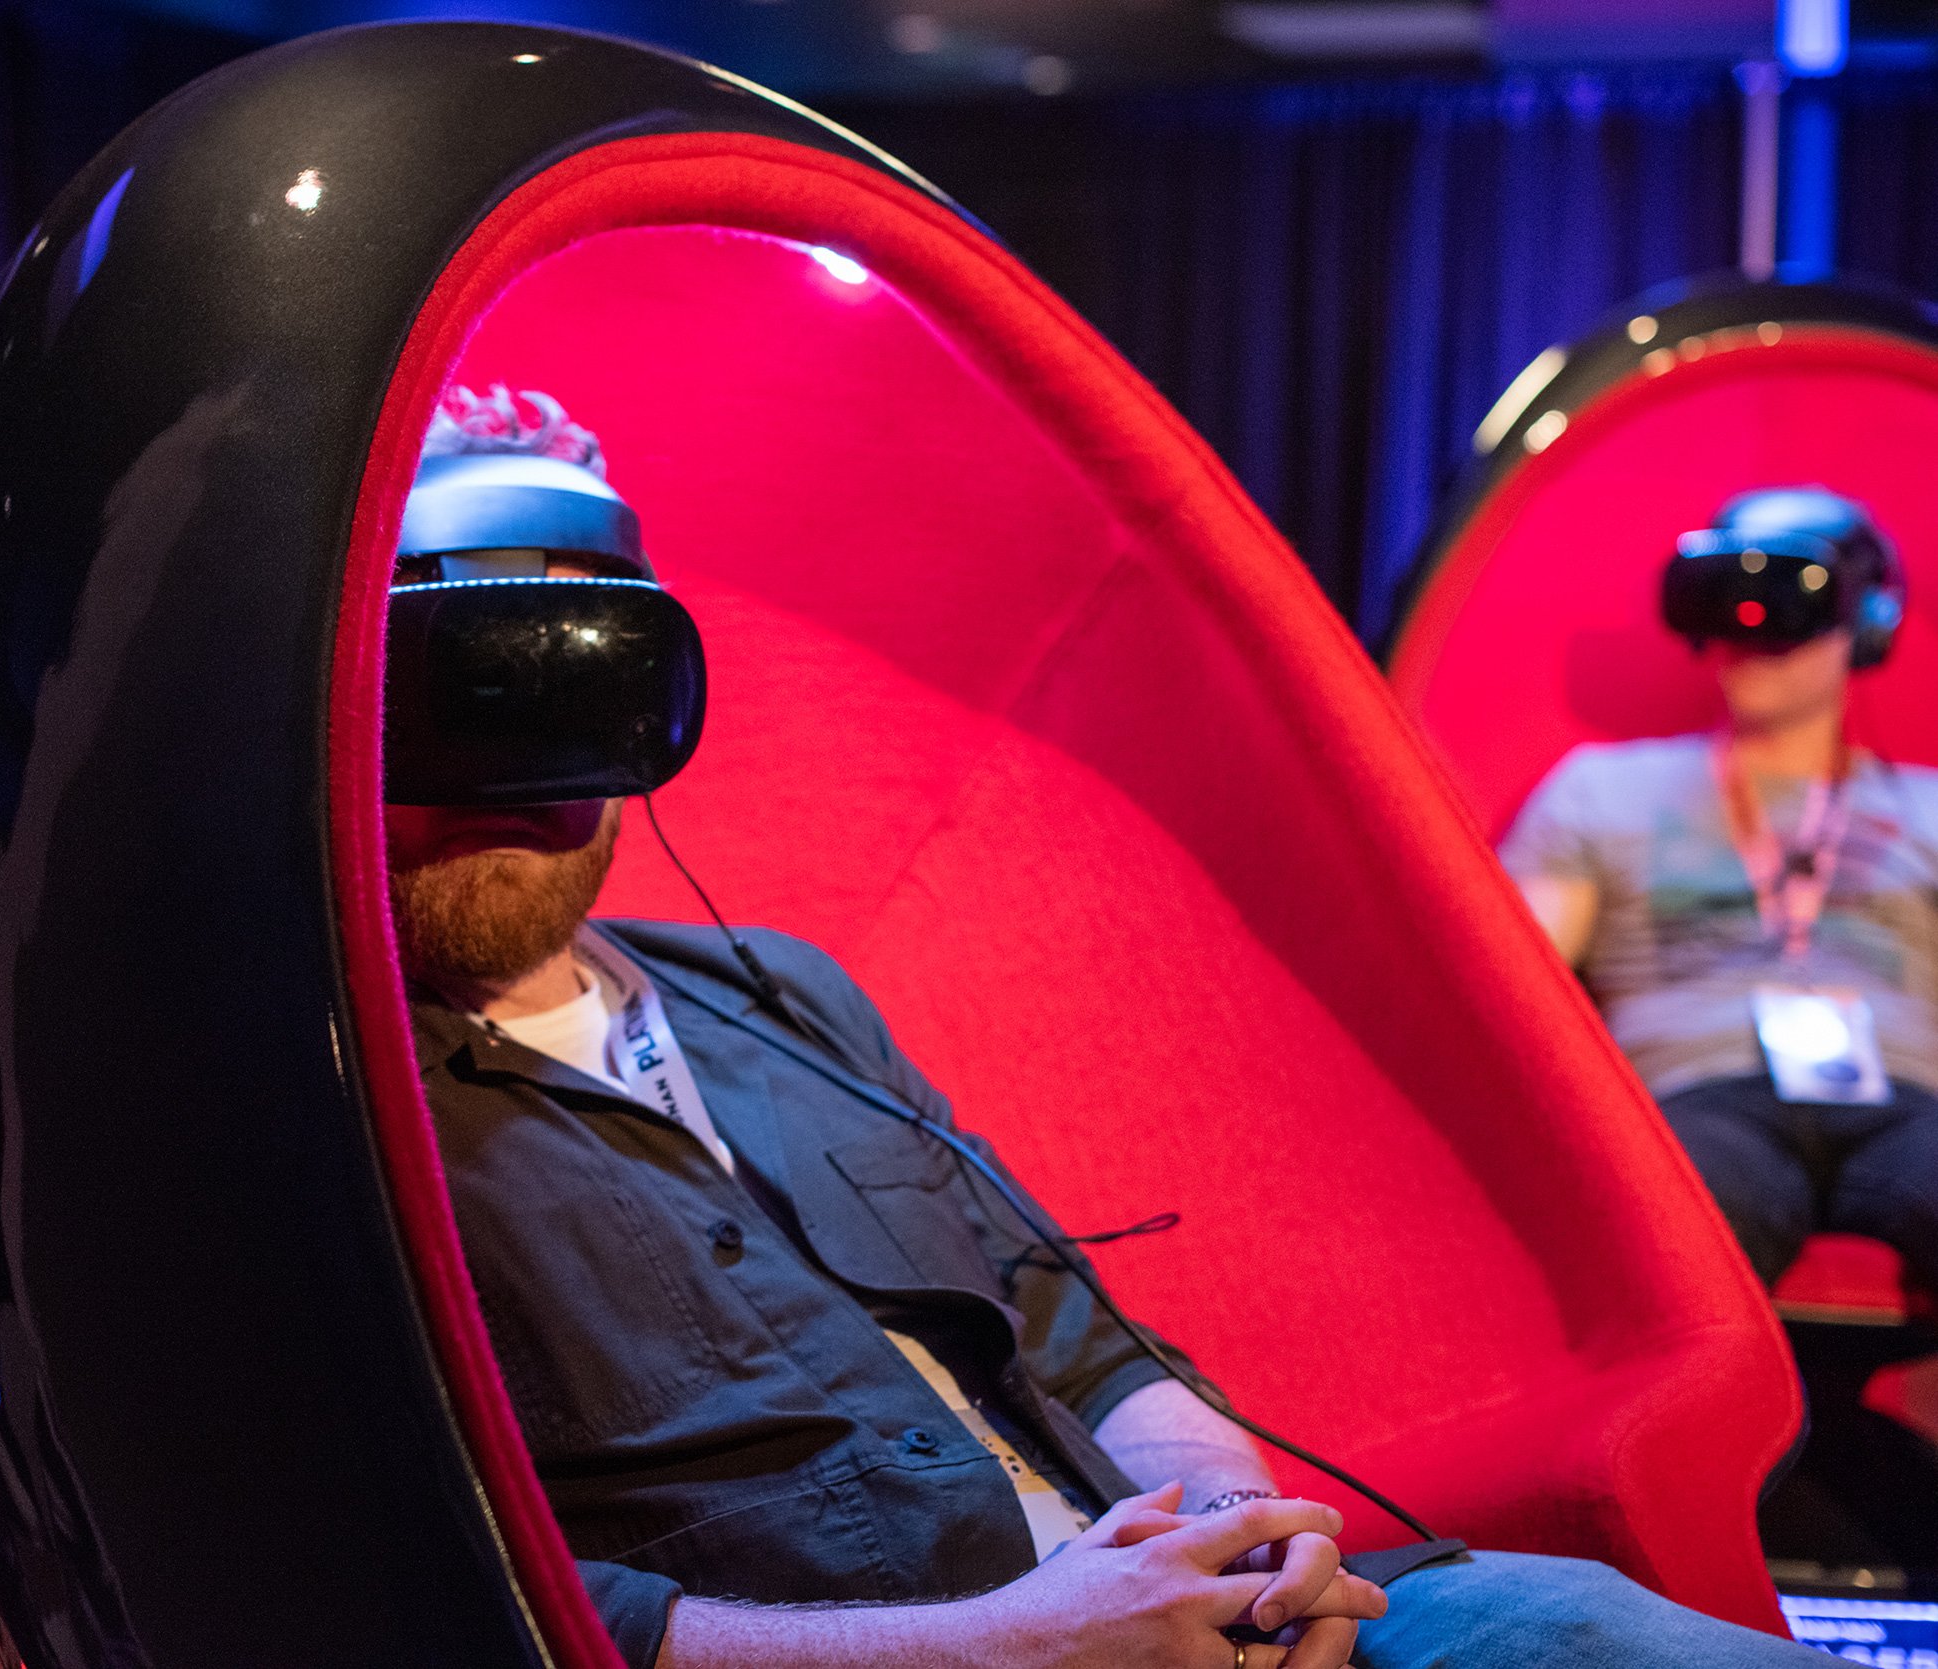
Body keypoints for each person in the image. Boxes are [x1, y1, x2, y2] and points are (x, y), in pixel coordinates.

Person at [388, 389, 1828, 1668]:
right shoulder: (326, 1093)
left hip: (1193, 1622)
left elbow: (1079, 1341)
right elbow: (419, 1585)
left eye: (578, 674)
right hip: (918, 1651)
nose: (519, 754)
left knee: (1578, 1627)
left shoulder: (782, 990)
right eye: (467, 679)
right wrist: (1000, 1648)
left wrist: (1241, 1539)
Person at [1501, 488, 1938, 1306]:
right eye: (1725, 597)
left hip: (1907, 1100)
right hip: (1697, 1097)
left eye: (1787, 602)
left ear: (1868, 625)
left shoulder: (1929, 810)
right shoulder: (1603, 790)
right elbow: (1503, 990)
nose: (1749, 629)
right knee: (1672, 1245)